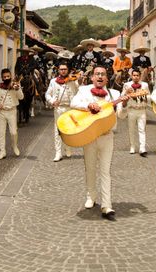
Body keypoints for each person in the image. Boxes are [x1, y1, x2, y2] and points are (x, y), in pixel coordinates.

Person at [70, 65, 128, 221]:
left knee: (105, 170)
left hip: (107, 136)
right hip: (89, 135)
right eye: (97, 74)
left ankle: (107, 205)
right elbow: (73, 103)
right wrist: (88, 106)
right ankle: (91, 196)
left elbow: (121, 115)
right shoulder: (84, 90)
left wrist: (125, 104)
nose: (100, 76)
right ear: (92, 77)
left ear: (107, 78)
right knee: (90, 168)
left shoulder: (114, 93)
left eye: (103, 74)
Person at [45, 61, 79, 161]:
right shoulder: (53, 81)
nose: (63, 71)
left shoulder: (73, 81)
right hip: (59, 108)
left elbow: (79, 90)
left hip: (70, 108)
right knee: (58, 130)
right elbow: (47, 94)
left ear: (68, 70)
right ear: (58, 70)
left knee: (69, 130)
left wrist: (79, 80)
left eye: (65, 69)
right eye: (61, 69)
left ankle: (67, 147)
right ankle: (58, 152)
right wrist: (52, 101)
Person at [0, 68, 24, 159]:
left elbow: (21, 97)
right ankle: (2, 152)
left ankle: (14, 146)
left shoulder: (16, 85)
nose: (6, 78)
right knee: (1, 133)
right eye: (4, 77)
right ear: (2, 78)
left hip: (12, 111)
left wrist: (17, 89)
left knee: (13, 132)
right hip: (1, 112)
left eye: (8, 76)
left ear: (11, 76)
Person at [122, 69, 150, 157]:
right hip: (132, 110)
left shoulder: (145, 85)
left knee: (142, 129)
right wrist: (127, 93)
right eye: (134, 75)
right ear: (131, 76)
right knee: (131, 129)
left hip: (142, 110)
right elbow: (122, 96)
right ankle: (132, 146)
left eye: (137, 75)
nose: (136, 77)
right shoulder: (127, 85)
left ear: (140, 76)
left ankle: (142, 148)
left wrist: (145, 96)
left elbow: (149, 96)